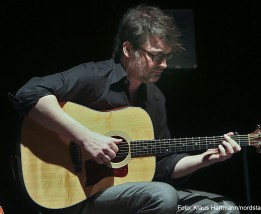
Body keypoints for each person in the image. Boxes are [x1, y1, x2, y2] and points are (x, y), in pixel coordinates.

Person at [9, 4, 241, 214]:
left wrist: (205, 159)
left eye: (166, 56)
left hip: (126, 195)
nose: (164, 64)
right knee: (162, 195)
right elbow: (29, 94)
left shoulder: (155, 98)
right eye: (155, 56)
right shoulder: (95, 77)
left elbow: (161, 165)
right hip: (73, 194)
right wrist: (86, 137)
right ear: (128, 49)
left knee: (222, 208)